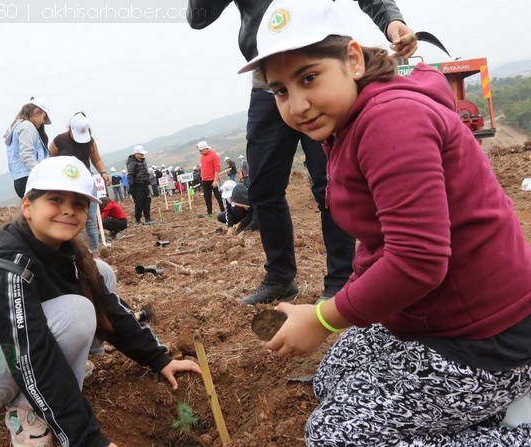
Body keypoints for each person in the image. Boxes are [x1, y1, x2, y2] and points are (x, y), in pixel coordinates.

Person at [242, 0, 531, 445]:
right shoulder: (346, 125)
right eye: (280, 90)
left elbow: (417, 260)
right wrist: (338, 309)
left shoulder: (390, 121)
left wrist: (324, 316)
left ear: (353, 59)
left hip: (488, 339)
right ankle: (488, 416)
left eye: (309, 77)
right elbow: (380, 240)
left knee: (335, 436)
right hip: (436, 315)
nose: (297, 105)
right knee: (331, 380)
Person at [0, 156, 201, 447]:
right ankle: (27, 412)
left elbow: (110, 309)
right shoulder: (9, 261)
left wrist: (158, 358)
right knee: (77, 311)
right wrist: (88, 439)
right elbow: (32, 353)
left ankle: (63, 377)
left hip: (9, 351)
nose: (68, 211)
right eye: (55, 199)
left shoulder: (65, 250)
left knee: (99, 272)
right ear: (27, 206)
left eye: (78, 204)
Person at [187, 0, 416, 305]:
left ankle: (341, 279)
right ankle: (280, 277)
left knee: (331, 184)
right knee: (264, 187)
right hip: (270, 80)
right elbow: (198, 18)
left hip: (317, 66)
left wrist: (390, 19)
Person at [49, 112, 112, 256]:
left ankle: (94, 253)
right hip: (66, 185)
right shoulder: (59, 140)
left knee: (90, 219)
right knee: (69, 218)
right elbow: (50, 159)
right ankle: (73, 254)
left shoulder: (90, 141)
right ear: (71, 129)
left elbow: (96, 160)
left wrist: (103, 173)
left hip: (86, 183)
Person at [3, 97, 51, 198]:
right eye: (44, 117)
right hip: (29, 177)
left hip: (20, 177)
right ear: (36, 112)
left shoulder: (17, 126)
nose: (43, 122)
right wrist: (42, 173)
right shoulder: (27, 127)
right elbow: (26, 155)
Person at [126, 145, 153, 226]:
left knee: (147, 201)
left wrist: (148, 182)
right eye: (141, 154)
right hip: (136, 186)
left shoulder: (143, 161)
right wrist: (131, 186)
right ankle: (137, 220)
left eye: (143, 154)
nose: (142, 155)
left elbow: (146, 172)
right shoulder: (131, 162)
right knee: (139, 203)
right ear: (136, 153)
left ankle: (148, 219)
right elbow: (130, 174)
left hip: (144, 184)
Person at [197, 141, 224, 216]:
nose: (200, 152)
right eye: (199, 151)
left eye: (201, 151)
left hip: (214, 179)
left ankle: (223, 211)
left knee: (218, 196)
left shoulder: (213, 155)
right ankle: (209, 212)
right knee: (207, 196)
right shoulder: (202, 157)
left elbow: (217, 169)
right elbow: (203, 168)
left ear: (206, 148)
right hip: (205, 180)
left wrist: (215, 180)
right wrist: (202, 178)